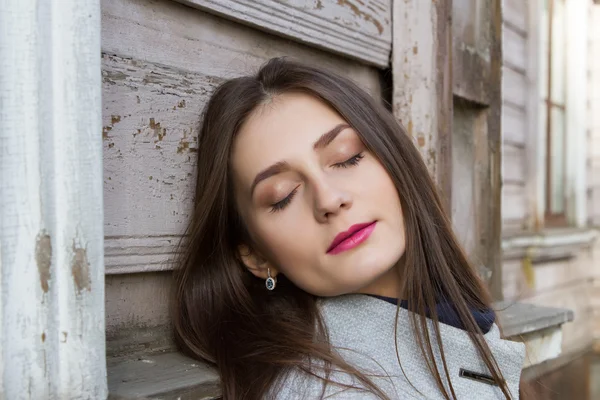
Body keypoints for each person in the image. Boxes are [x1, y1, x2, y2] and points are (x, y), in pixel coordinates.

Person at [172, 57, 525, 399]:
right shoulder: (321, 389)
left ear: (396, 161)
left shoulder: (458, 320)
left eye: (347, 157)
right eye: (283, 197)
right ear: (256, 256)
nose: (328, 199)